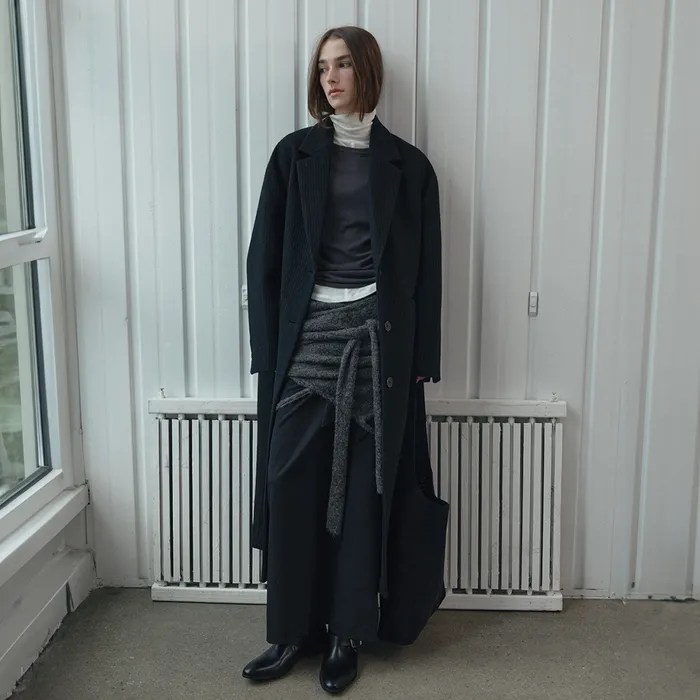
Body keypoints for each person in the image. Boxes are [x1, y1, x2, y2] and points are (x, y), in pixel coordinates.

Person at [243, 25, 444, 694]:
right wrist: (268, 353)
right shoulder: (292, 156)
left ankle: (346, 635)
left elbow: (427, 271)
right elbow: (263, 260)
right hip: (307, 339)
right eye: (323, 67)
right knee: (289, 481)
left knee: (363, 495)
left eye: (344, 66)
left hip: (379, 343)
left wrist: (423, 358)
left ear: (368, 72)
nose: (330, 78)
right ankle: (289, 632)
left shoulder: (410, 167)